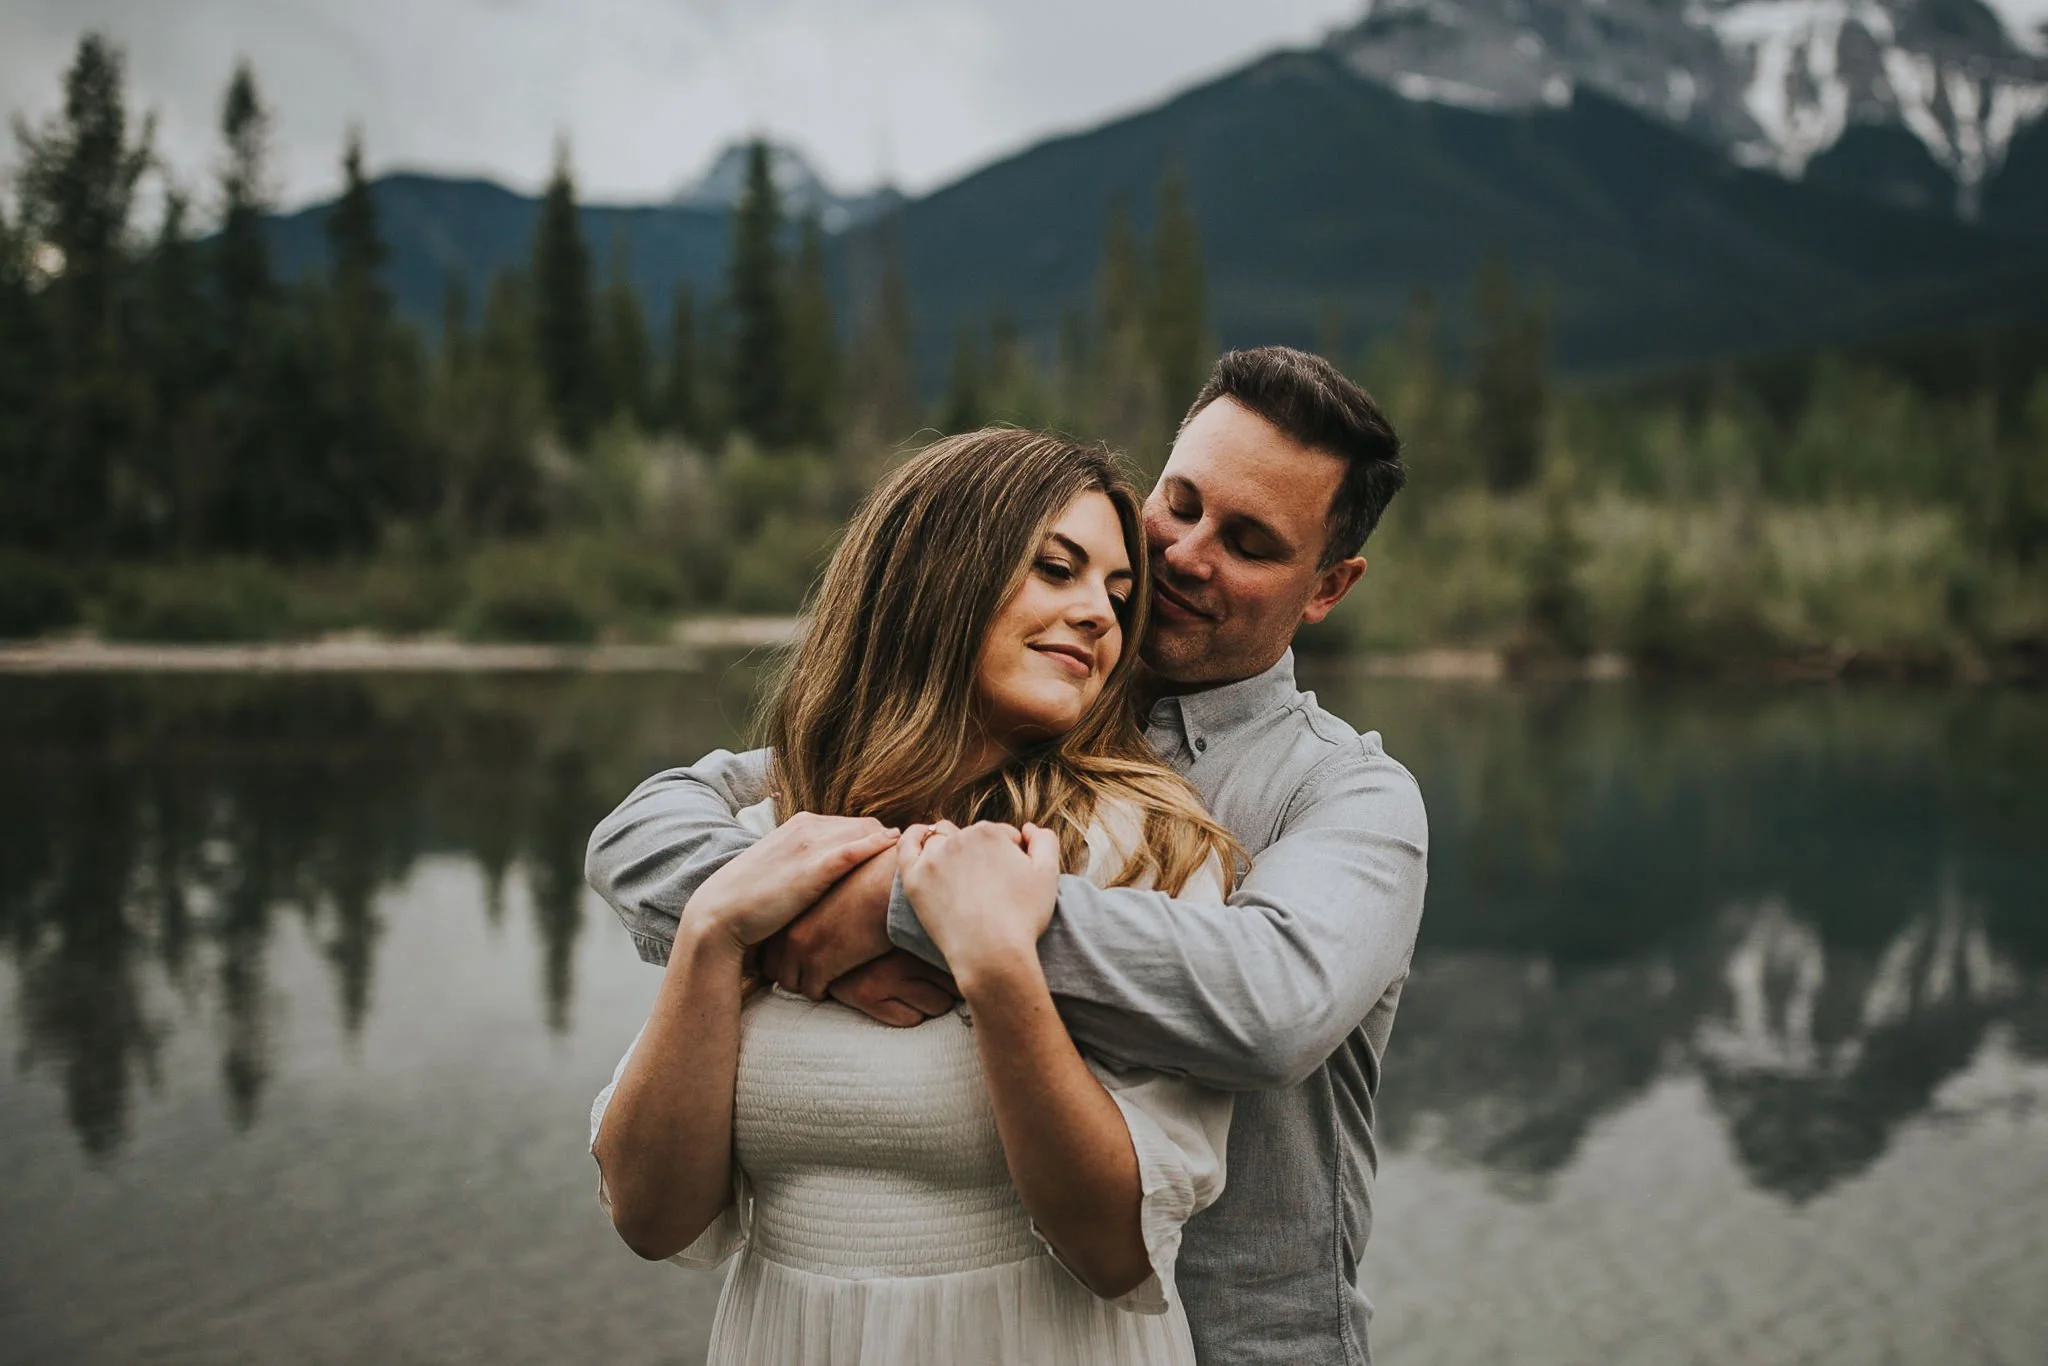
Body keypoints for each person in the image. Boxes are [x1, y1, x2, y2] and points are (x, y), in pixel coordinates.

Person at [589, 346, 1429, 1366]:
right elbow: (649, 827)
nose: (1183, 555)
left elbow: (1269, 1007)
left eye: (1248, 542)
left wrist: (905, 909)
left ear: (1327, 586)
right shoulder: (995, 733)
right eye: (1178, 504)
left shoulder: (1345, 793)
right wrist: (777, 907)